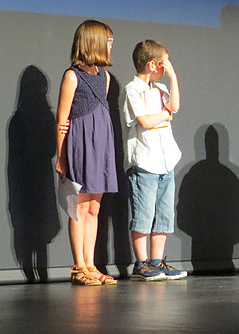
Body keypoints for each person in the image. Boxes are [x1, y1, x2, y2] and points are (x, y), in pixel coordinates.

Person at [55, 19, 118, 286]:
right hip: (80, 145)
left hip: (100, 145)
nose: (111, 44)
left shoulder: (105, 77)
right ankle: (78, 266)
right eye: (108, 40)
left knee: (94, 207)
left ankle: (91, 265)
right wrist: (61, 157)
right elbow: (62, 120)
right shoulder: (72, 76)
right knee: (79, 207)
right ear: (94, 42)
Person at [123, 40, 187, 280]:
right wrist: (164, 115)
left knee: (163, 214)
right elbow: (145, 121)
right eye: (164, 64)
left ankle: (157, 262)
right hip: (145, 161)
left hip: (165, 160)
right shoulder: (132, 89)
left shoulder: (160, 87)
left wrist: (173, 78)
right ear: (152, 65)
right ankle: (141, 263)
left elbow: (175, 107)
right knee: (144, 214)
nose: (166, 68)